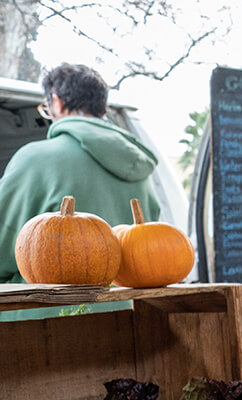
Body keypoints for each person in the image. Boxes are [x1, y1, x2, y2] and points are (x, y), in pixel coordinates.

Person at [0, 63, 161, 284]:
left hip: (50, 315)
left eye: (46, 109)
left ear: (56, 102)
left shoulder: (35, 159)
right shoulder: (140, 165)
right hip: (126, 312)